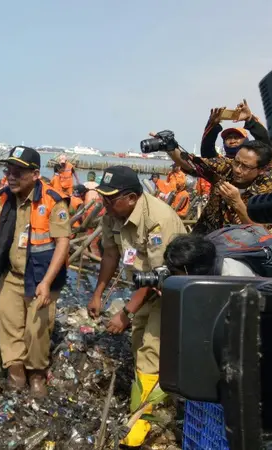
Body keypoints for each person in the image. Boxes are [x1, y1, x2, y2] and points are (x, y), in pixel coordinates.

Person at [86, 166, 186, 447]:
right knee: (138, 342)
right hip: (145, 285)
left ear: (131, 198)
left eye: (110, 199)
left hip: (173, 286)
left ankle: (141, 420)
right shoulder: (113, 214)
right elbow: (110, 253)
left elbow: (159, 273)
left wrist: (126, 312)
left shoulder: (157, 219)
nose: (104, 204)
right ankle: (158, 395)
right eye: (103, 198)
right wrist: (98, 294)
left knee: (150, 350)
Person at [0, 146, 70, 398]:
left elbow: (63, 244)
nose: (11, 176)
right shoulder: (3, 197)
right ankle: (16, 376)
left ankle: (36, 377)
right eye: (8, 171)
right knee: (9, 327)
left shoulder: (53, 201)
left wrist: (46, 283)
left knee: (36, 332)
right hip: (10, 276)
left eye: (18, 172)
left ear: (35, 174)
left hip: (40, 278)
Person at [165, 137, 272, 235]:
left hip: (239, 247)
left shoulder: (268, 191)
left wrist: (237, 203)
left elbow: (261, 233)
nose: (237, 170)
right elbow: (191, 164)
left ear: (262, 170)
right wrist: (170, 147)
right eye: (236, 162)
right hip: (204, 237)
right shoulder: (225, 166)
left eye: (245, 167)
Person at [201, 100, 271, 159]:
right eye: (228, 138)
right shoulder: (220, 164)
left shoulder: (256, 162)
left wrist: (249, 119)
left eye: (236, 137)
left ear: (246, 140)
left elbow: (266, 144)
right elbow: (207, 151)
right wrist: (212, 125)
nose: (232, 141)